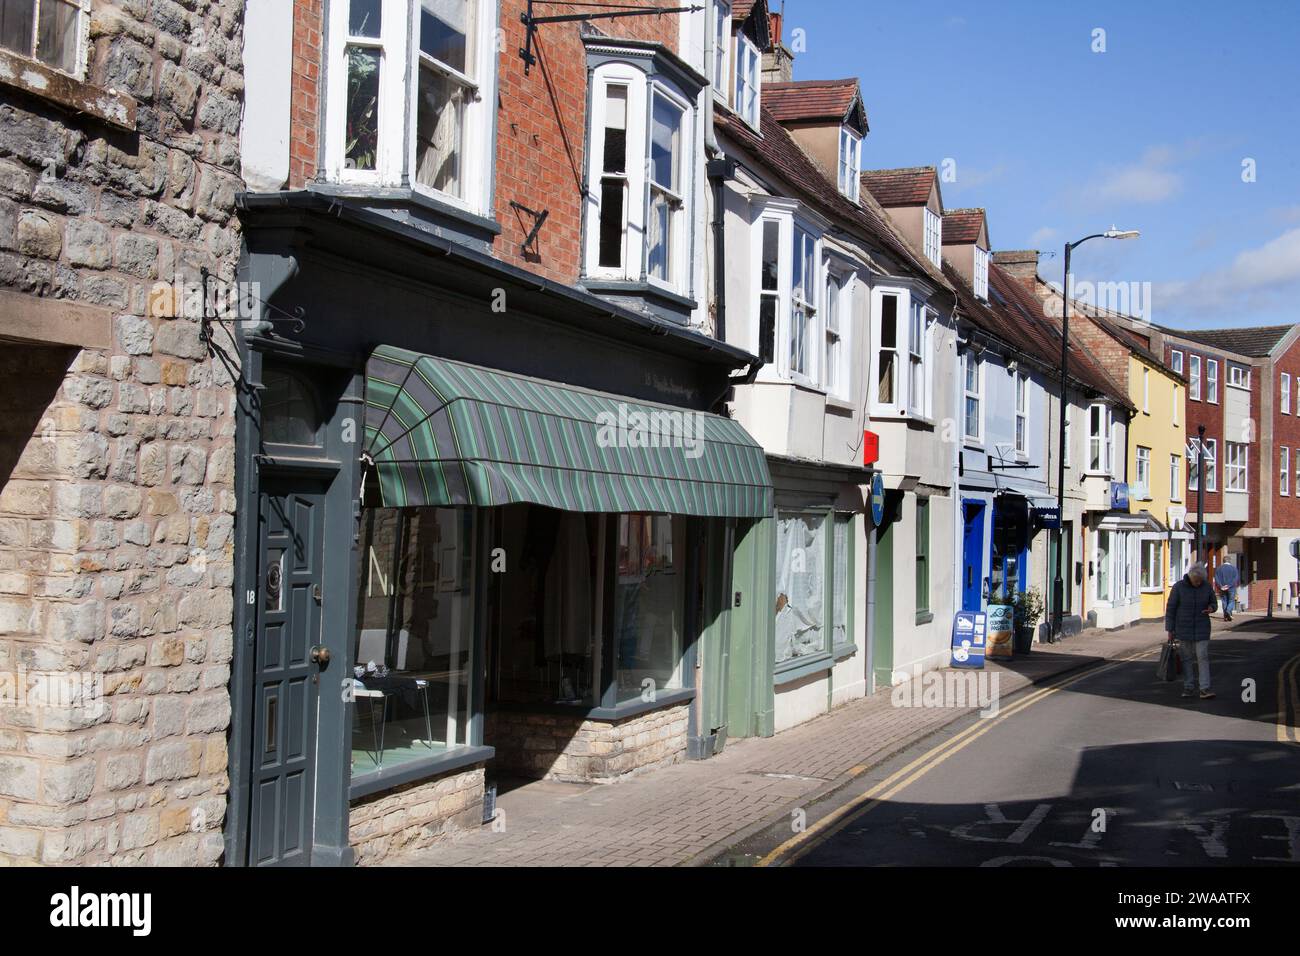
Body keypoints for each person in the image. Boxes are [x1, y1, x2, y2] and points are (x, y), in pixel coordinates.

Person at [1165, 562, 1217, 699]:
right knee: (1186, 659)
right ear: (1190, 577)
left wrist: (1211, 608)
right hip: (1183, 628)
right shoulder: (1178, 587)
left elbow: (1214, 603)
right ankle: (1188, 687)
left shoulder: (1207, 587)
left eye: (1200, 581)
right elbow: (1171, 609)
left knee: (1203, 657)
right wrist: (1170, 629)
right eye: (1195, 581)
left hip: (1202, 628)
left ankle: (1204, 688)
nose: (1198, 583)